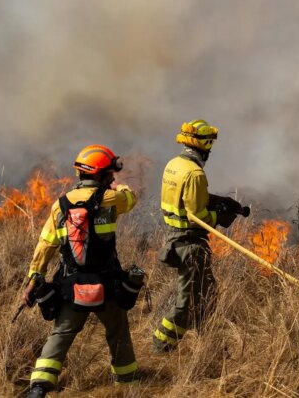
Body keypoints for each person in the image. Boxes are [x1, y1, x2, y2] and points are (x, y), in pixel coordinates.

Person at [24, 145, 140, 398]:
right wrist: (121, 187)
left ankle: (39, 386)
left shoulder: (60, 205)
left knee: (61, 332)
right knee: (117, 328)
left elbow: (46, 244)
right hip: (106, 284)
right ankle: (127, 379)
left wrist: (34, 278)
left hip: (71, 284)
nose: (112, 177)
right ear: (100, 175)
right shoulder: (112, 199)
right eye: (109, 173)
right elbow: (131, 199)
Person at [153, 119, 241, 352]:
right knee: (187, 300)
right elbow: (196, 215)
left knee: (207, 291)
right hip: (190, 242)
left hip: (175, 236)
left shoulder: (174, 164)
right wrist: (219, 217)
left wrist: (218, 200)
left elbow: (184, 197)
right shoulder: (195, 173)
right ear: (205, 145)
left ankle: (208, 342)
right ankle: (161, 345)